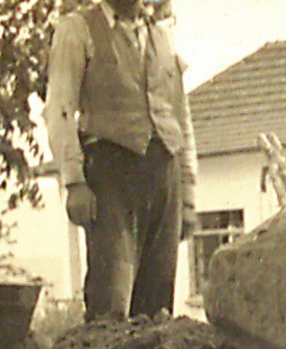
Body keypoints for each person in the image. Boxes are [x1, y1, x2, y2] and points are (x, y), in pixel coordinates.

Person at [44, 0, 198, 321]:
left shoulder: (161, 35)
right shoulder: (77, 29)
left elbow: (181, 118)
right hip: (110, 172)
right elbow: (60, 108)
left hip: (163, 173)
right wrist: (74, 182)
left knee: (158, 307)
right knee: (110, 298)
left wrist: (188, 198)